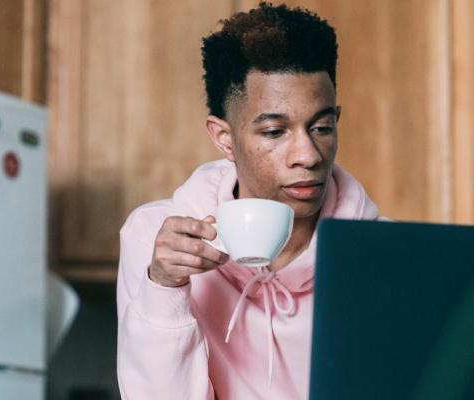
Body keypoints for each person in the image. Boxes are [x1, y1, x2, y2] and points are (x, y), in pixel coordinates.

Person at [117, 3, 381, 399]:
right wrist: (164, 289)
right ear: (224, 138)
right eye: (275, 132)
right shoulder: (158, 239)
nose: (308, 155)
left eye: (322, 127)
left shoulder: (384, 252)